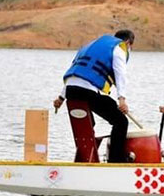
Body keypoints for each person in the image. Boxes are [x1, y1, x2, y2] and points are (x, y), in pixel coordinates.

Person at [53, 29, 134, 163]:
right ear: (127, 42)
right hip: (86, 91)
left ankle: (87, 156)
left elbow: (77, 71)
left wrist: (61, 98)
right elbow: (121, 75)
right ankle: (116, 161)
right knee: (121, 121)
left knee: (90, 121)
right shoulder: (119, 48)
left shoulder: (90, 46)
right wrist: (122, 100)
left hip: (71, 91)